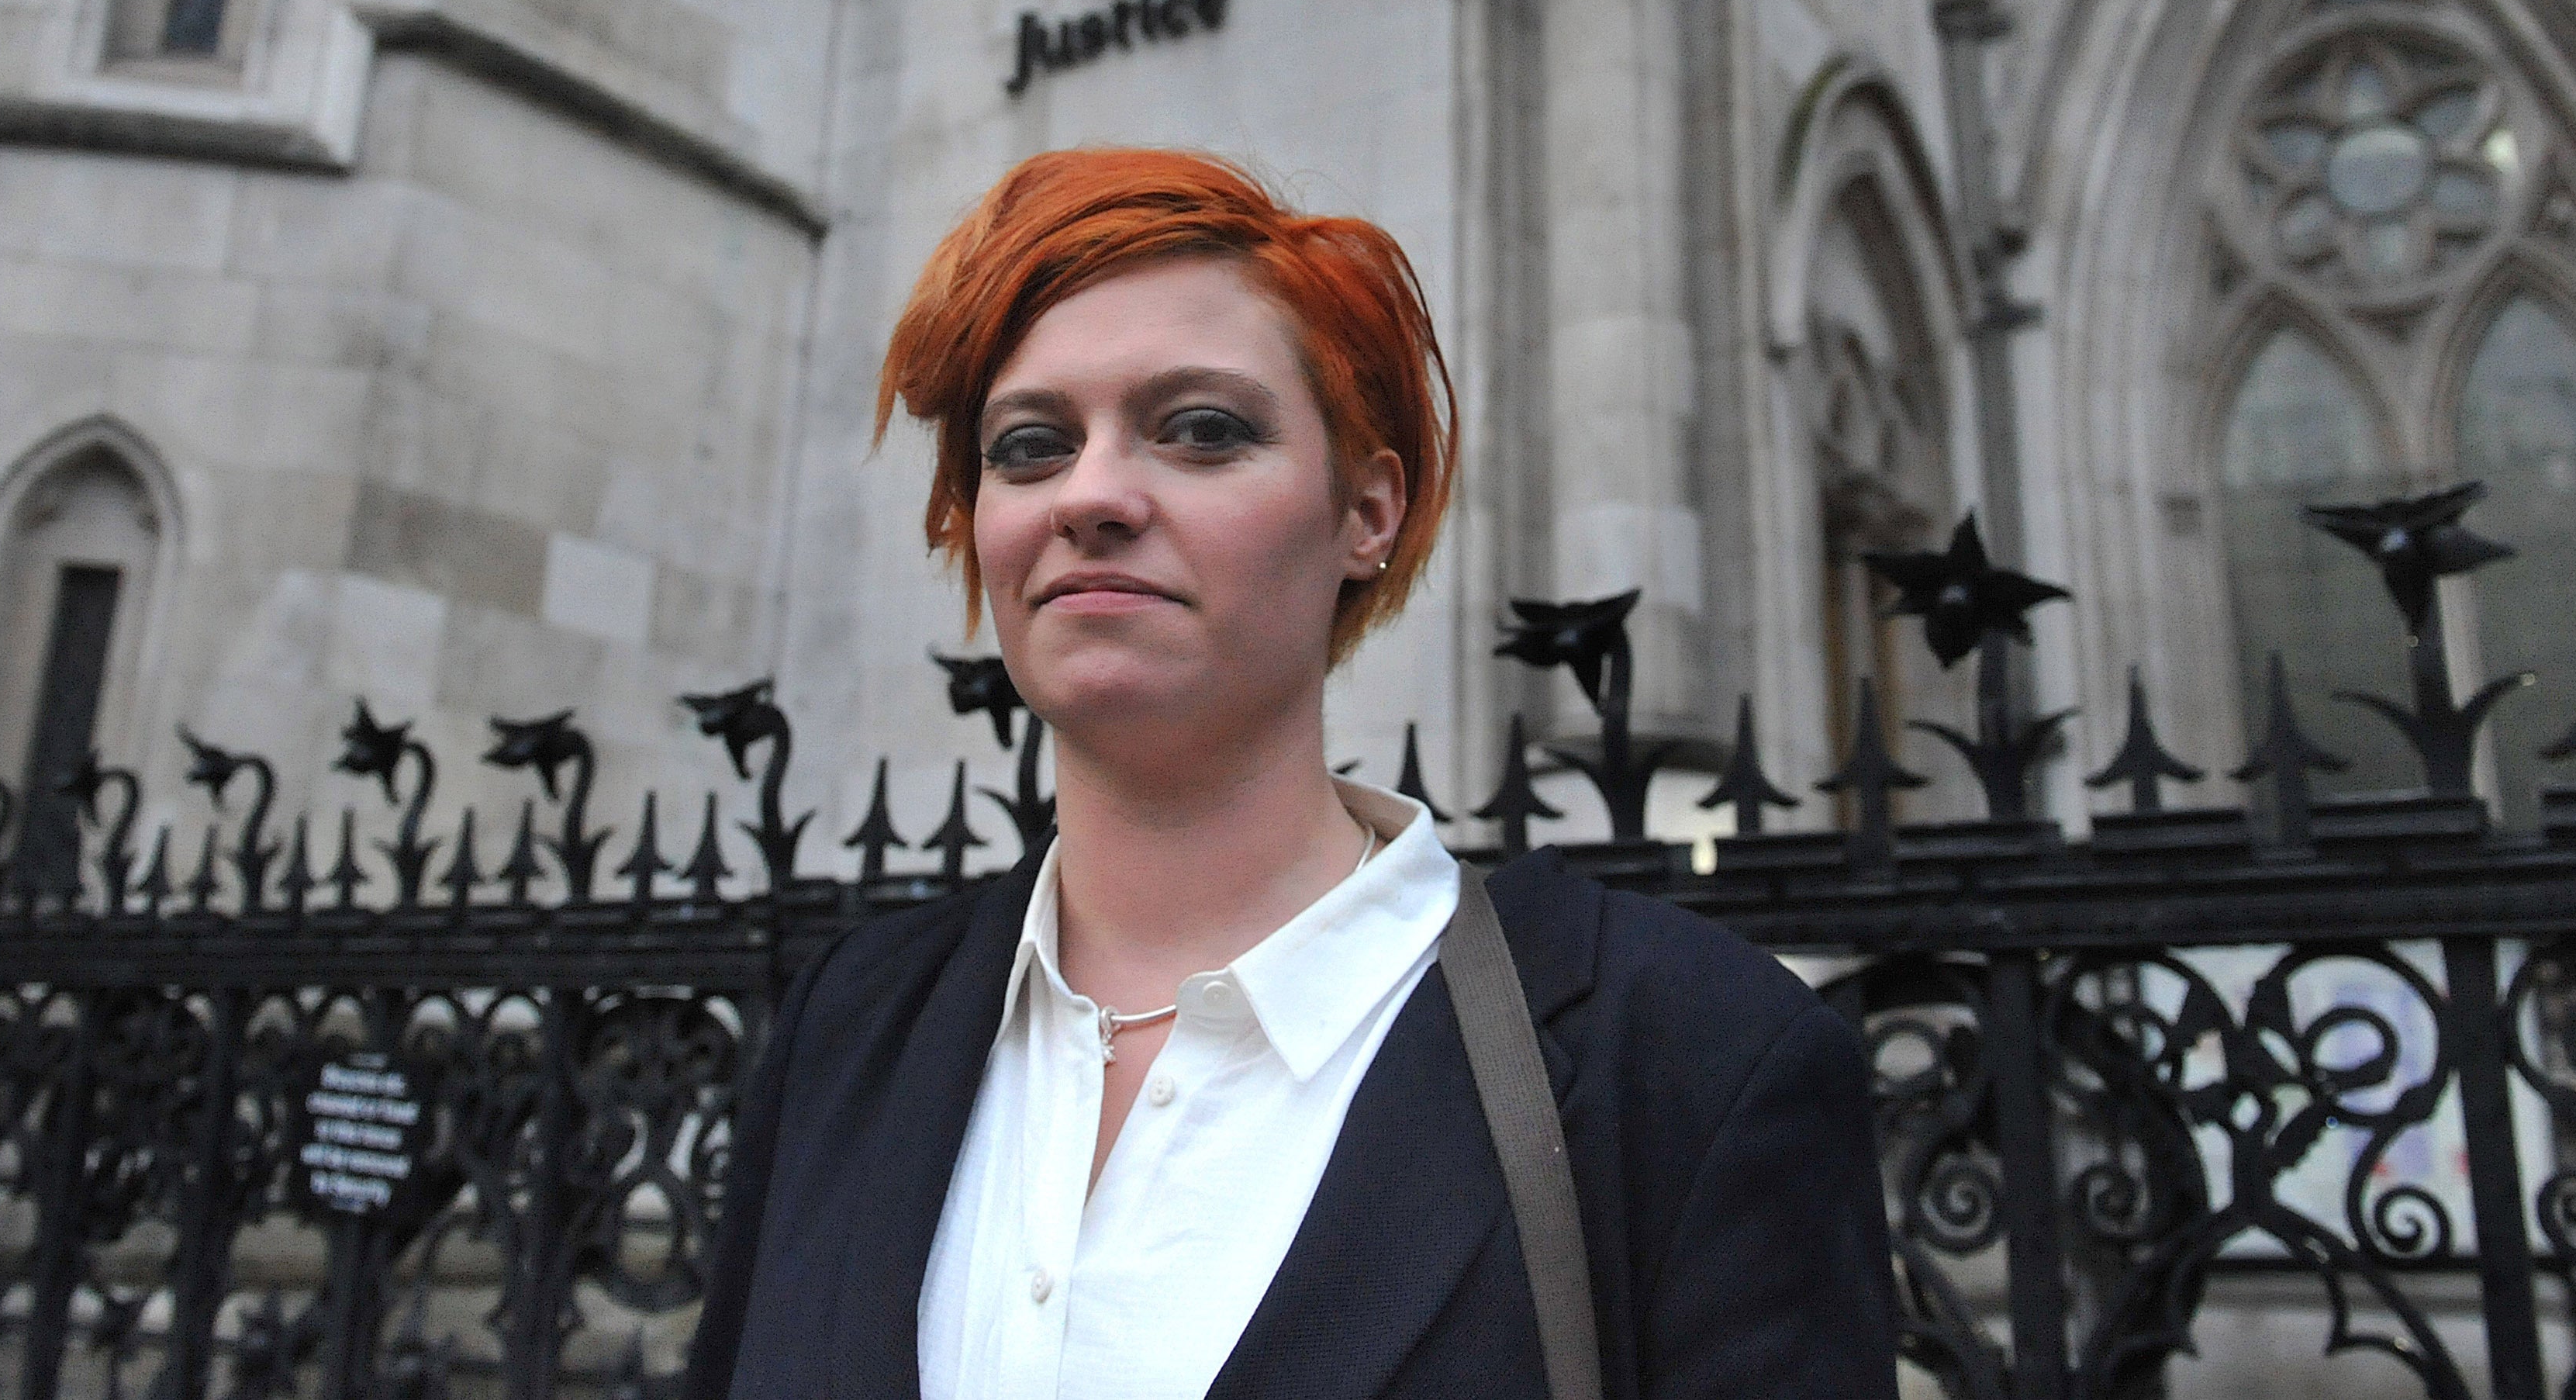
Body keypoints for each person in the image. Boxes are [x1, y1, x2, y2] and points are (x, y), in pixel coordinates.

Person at [685, 147, 1896, 1400]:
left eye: (1201, 430)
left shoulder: (1696, 1059)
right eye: (1030, 446)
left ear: (1367, 512)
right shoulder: (851, 1026)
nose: (1090, 494)